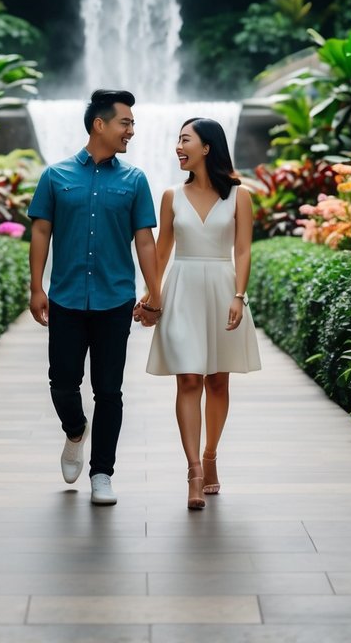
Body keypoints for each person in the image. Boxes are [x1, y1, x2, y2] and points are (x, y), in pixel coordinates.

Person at [28, 88, 162, 506]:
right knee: (62, 383)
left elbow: (145, 241)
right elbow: (40, 232)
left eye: (133, 124)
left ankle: (102, 473)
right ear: (99, 125)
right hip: (66, 297)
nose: (131, 131)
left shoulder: (135, 180)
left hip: (114, 301)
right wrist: (37, 287)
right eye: (126, 122)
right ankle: (74, 430)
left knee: (110, 391)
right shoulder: (55, 176)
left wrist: (154, 293)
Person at [143, 116, 261, 509]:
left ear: (207, 147)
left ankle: (211, 455)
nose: (178, 147)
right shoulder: (170, 196)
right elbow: (162, 251)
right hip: (182, 288)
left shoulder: (239, 196)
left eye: (185, 140)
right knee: (189, 380)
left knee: (218, 382)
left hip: (223, 288)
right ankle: (194, 469)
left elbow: (243, 250)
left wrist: (239, 295)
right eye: (178, 140)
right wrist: (151, 295)